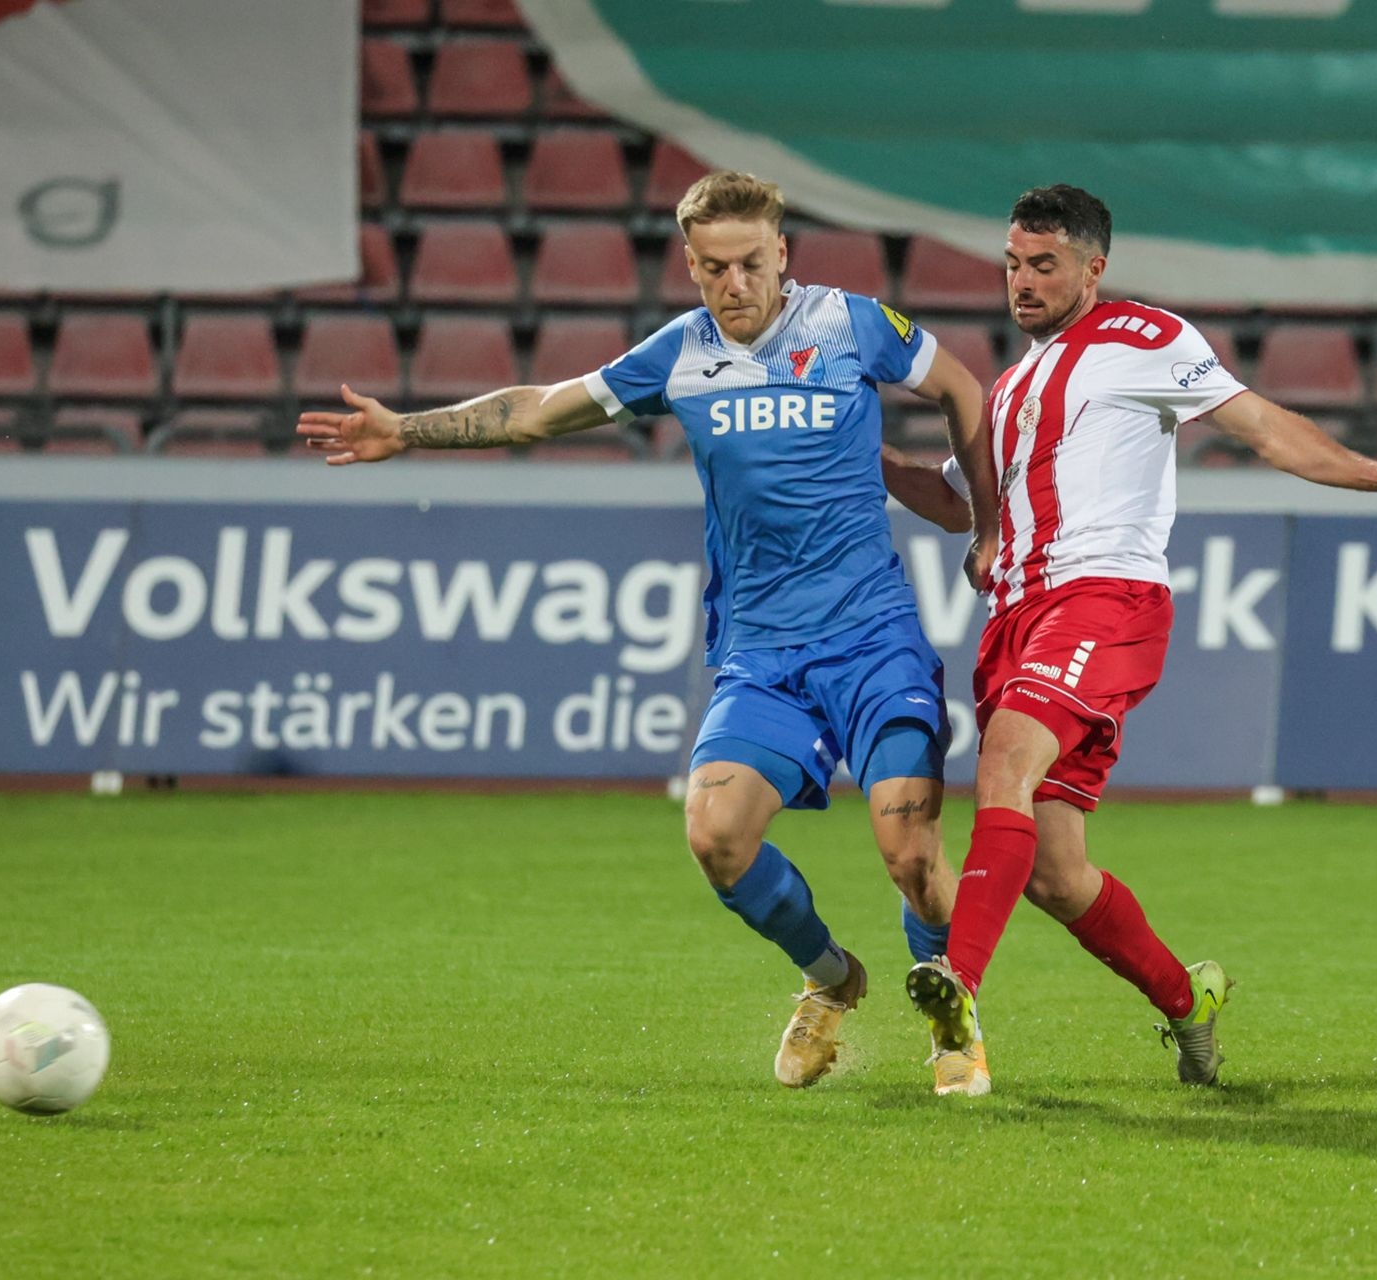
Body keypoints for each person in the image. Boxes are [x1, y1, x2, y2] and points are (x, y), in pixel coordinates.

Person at [299, 171, 1001, 1089]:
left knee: (911, 856)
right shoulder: (681, 354)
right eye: (713, 268)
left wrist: (987, 524)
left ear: (782, 252)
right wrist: (407, 431)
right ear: (690, 264)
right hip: (761, 655)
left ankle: (952, 1020)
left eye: (750, 263)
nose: (734, 284)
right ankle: (830, 978)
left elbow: (962, 389)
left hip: (874, 641)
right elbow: (538, 410)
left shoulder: (852, 324)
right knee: (715, 837)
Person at [896, 185, 1377, 1096]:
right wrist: (851, 450)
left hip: (1102, 598)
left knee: (1006, 756)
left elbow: (1262, 427)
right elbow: (952, 502)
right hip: (1014, 616)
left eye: (1044, 264)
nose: (1022, 281)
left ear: (1093, 267)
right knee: (1054, 873)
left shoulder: (1144, 338)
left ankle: (958, 993)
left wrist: (1375, 476)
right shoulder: (1011, 389)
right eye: (1013, 264)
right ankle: (1188, 1000)